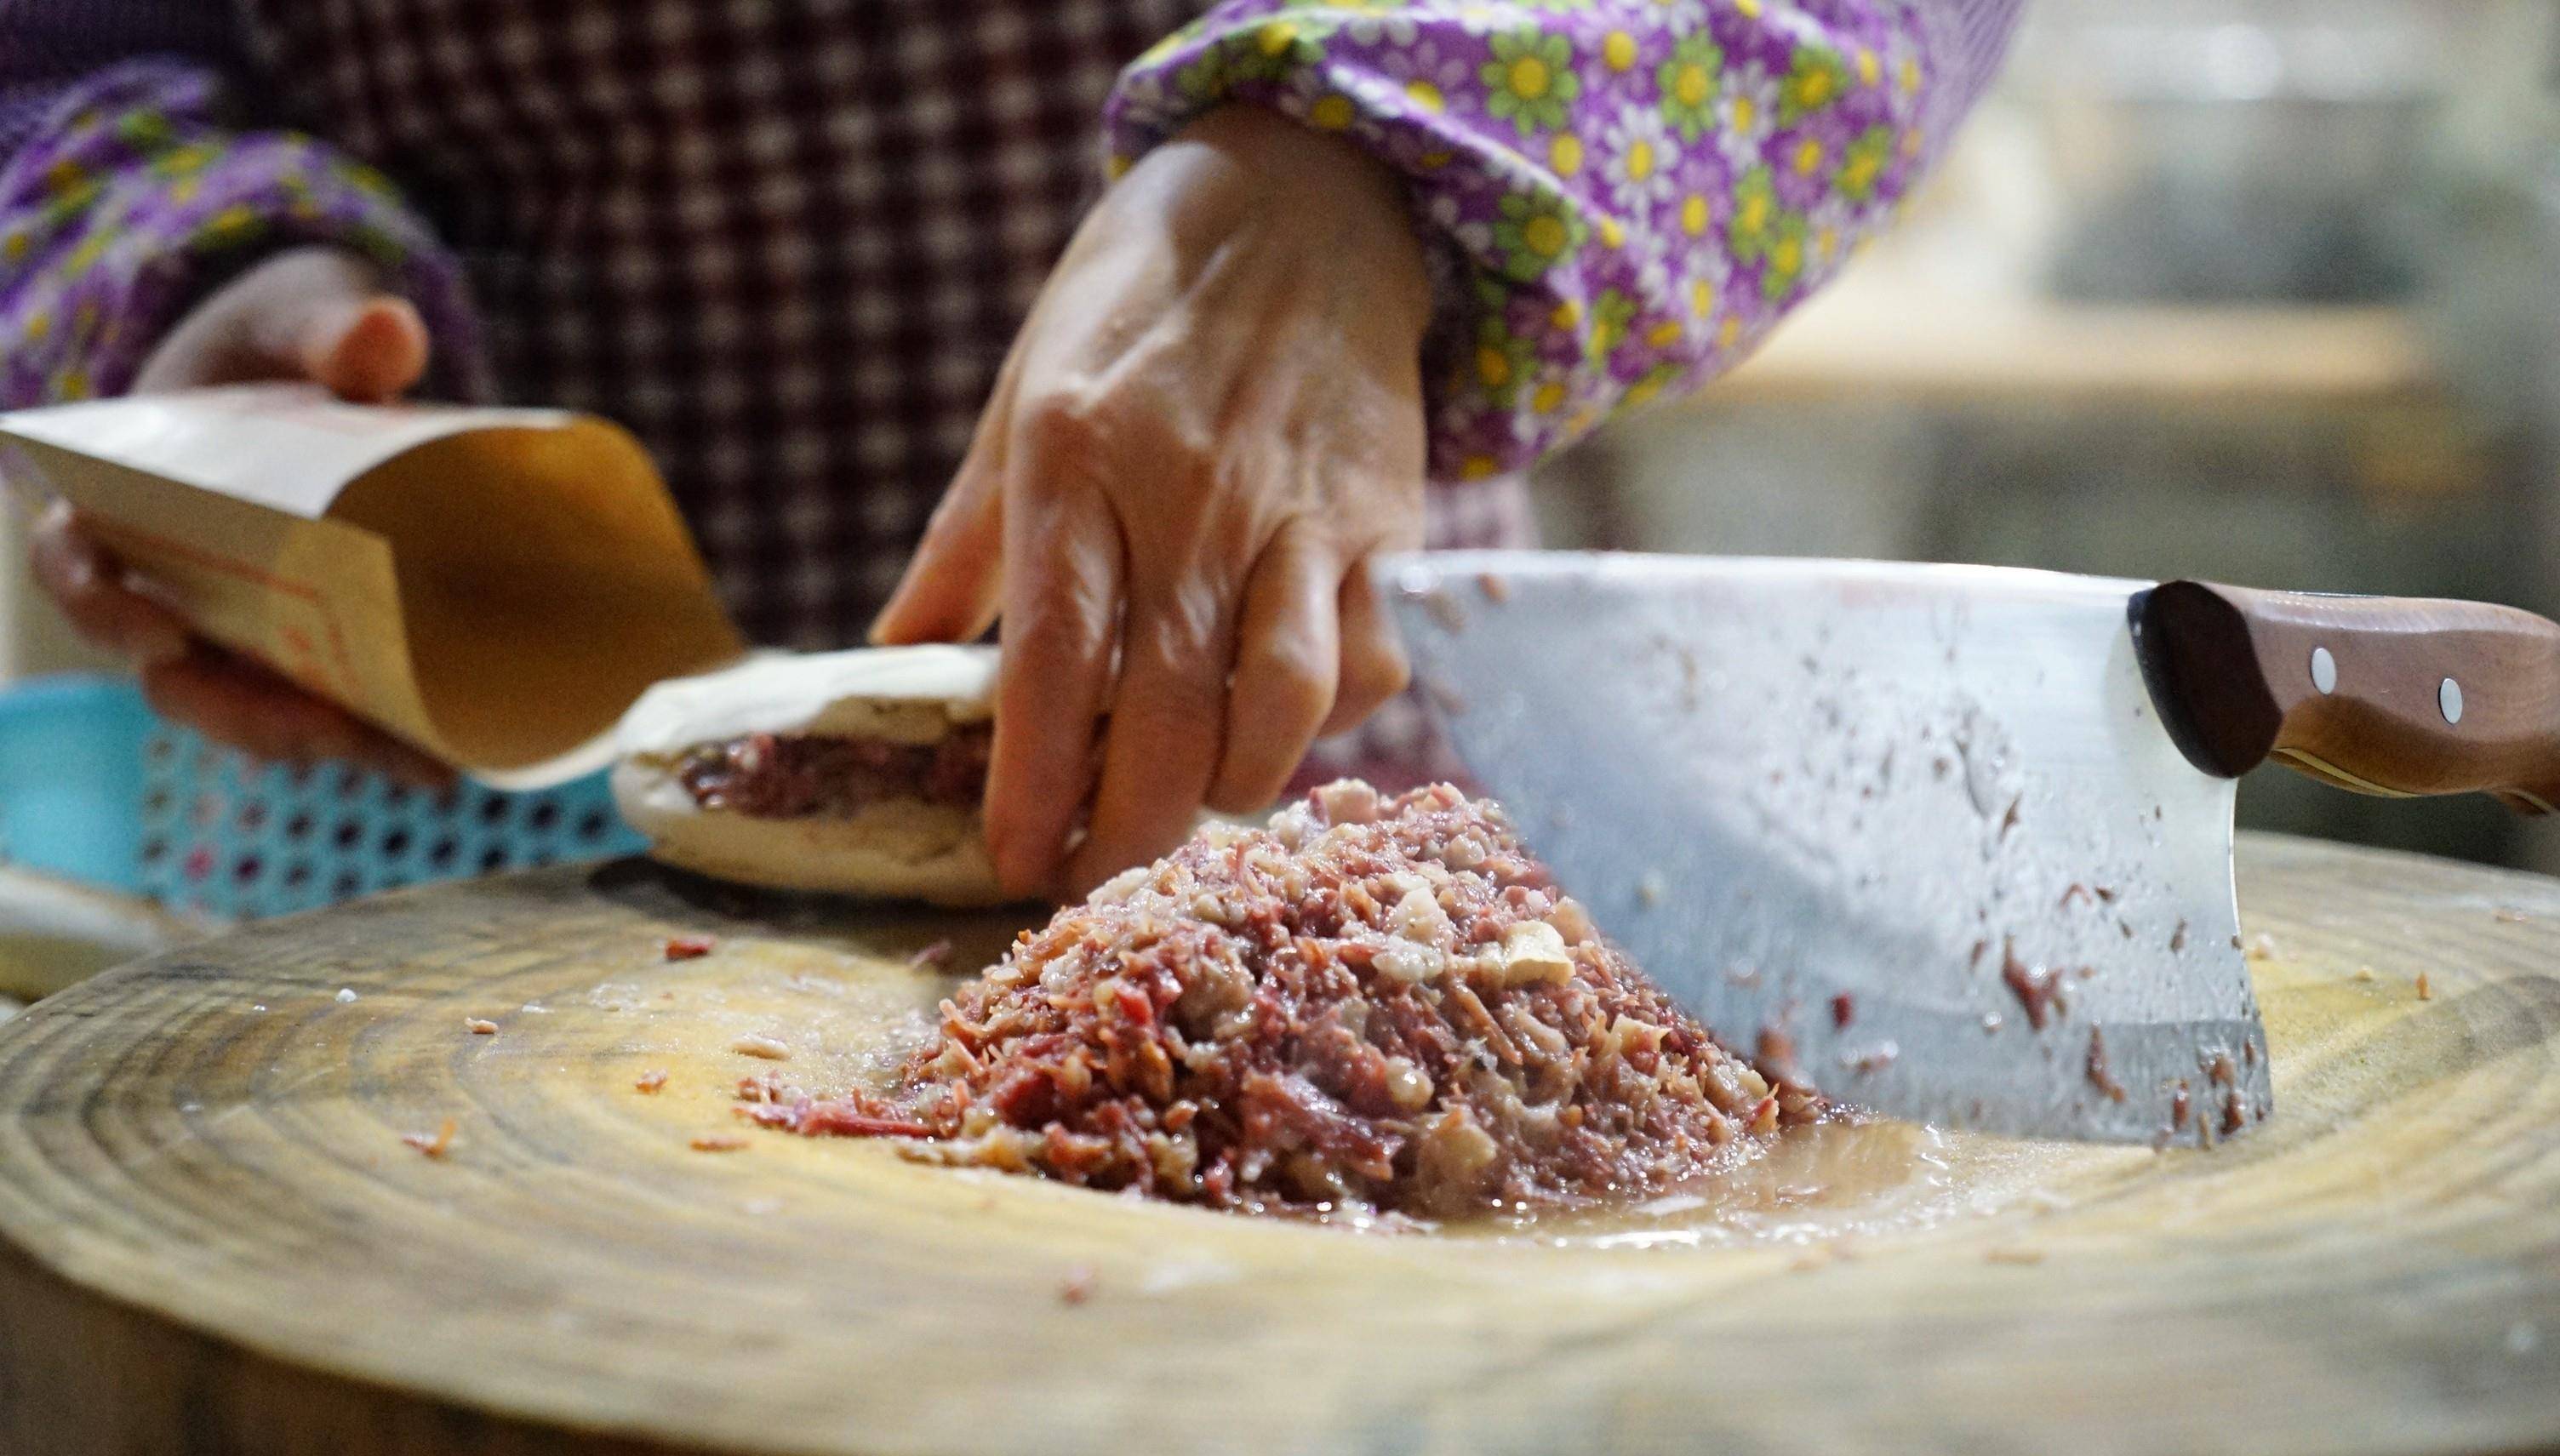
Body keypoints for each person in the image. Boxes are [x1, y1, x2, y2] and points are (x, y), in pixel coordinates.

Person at [5, 0, 2019, 897]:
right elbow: (65, 51)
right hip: (417, 847)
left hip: (1292, 812)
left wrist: (1365, 161)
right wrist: (193, 284)